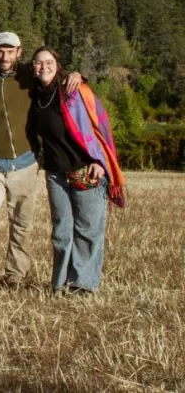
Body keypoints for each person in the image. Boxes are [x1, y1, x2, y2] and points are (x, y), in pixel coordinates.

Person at [0, 31, 81, 296]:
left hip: (25, 162)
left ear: (20, 52)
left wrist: (77, 75)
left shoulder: (30, 78)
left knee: (21, 223)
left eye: (11, 51)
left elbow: (55, 80)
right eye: (0, 51)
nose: (5, 56)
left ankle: (16, 276)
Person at [27, 46, 126, 294]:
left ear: (58, 65)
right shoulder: (34, 94)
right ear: (32, 67)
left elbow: (98, 128)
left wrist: (99, 162)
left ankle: (83, 284)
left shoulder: (74, 91)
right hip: (56, 174)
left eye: (49, 62)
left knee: (87, 230)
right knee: (61, 231)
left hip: (86, 169)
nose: (44, 67)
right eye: (39, 63)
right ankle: (59, 283)